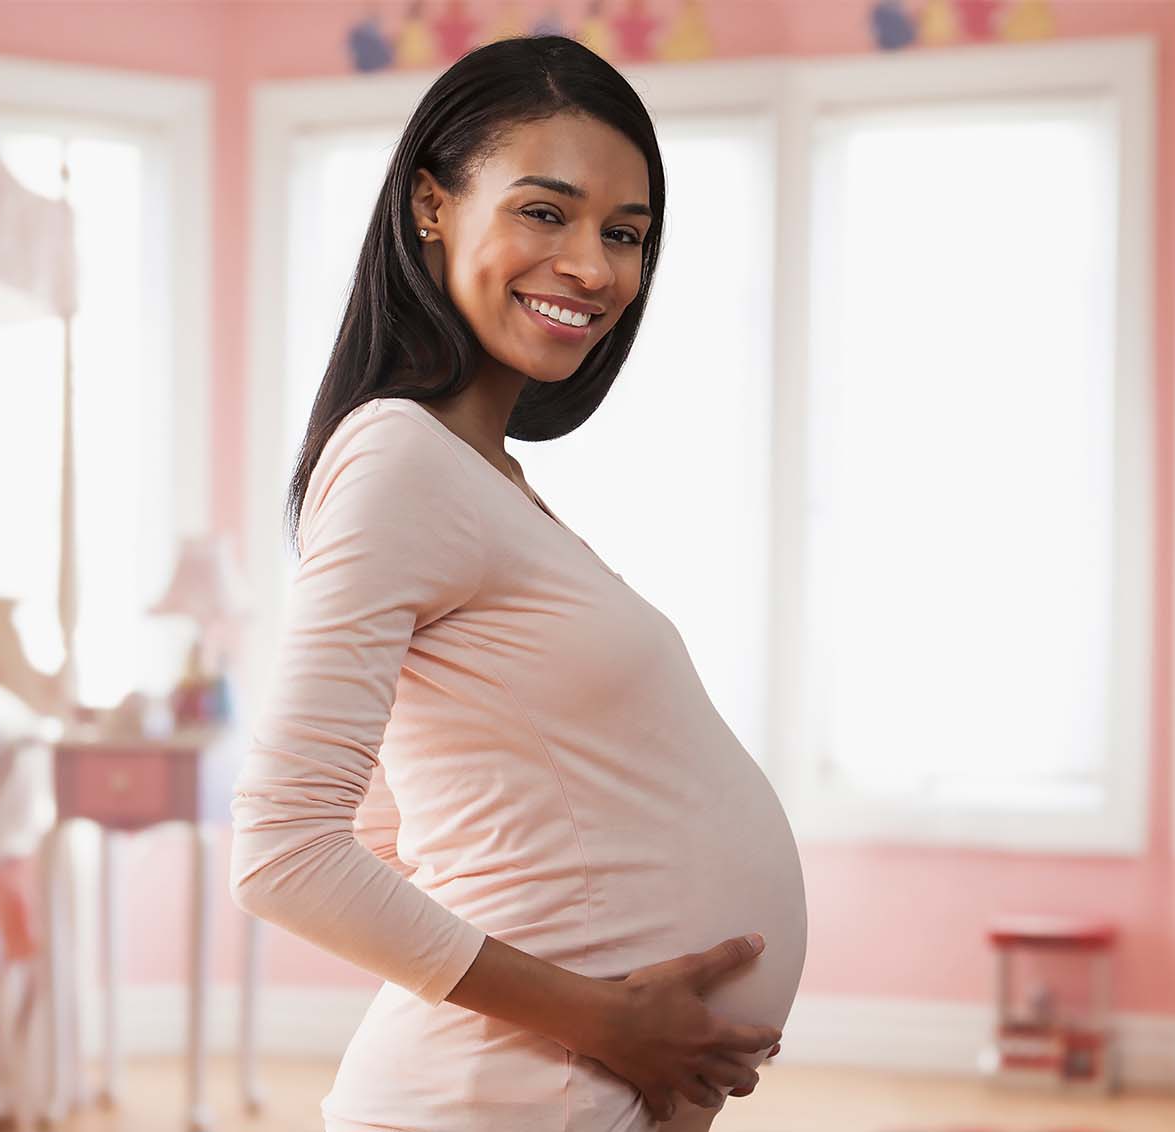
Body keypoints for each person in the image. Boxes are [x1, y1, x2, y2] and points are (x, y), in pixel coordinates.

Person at [227, 35, 808, 1132]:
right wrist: (601, 1015)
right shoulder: (399, 456)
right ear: (431, 206)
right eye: (546, 211)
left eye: (625, 234)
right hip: (503, 1094)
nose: (593, 266)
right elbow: (283, 852)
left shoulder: (482, 479)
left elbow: (395, 824)